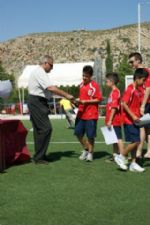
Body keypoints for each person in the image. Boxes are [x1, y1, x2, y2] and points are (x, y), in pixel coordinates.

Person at [28, 55, 74, 164]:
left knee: (40, 130)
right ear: (45, 63)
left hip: (38, 101)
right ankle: (39, 157)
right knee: (46, 128)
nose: (52, 68)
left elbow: (49, 92)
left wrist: (63, 96)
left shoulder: (40, 72)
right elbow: (51, 88)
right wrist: (67, 95)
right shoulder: (40, 72)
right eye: (51, 65)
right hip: (37, 102)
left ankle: (40, 156)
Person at [115, 68, 148, 172]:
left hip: (136, 120)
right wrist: (133, 116)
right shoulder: (130, 89)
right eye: (143, 80)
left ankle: (133, 164)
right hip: (129, 120)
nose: (144, 82)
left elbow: (137, 105)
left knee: (136, 142)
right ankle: (121, 156)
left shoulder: (139, 90)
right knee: (136, 141)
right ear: (137, 78)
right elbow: (123, 103)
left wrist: (141, 114)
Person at [74, 65, 102, 162]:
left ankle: (90, 153)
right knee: (77, 132)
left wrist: (86, 102)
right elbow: (81, 98)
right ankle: (86, 149)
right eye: (83, 75)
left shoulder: (94, 86)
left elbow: (99, 99)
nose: (84, 78)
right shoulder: (81, 85)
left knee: (90, 135)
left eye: (86, 76)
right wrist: (76, 102)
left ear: (90, 76)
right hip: (81, 113)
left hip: (91, 114)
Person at [128, 52, 150, 158]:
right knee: (145, 128)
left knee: (142, 127)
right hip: (142, 103)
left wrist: (143, 105)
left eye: (132, 62)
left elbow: (148, 89)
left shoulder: (145, 71)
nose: (130, 64)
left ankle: (139, 152)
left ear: (138, 60)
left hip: (146, 104)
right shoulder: (139, 72)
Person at [105, 72, 125, 162]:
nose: (106, 83)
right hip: (111, 120)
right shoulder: (113, 92)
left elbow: (114, 107)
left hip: (114, 120)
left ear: (112, 82)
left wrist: (110, 120)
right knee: (113, 139)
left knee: (118, 138)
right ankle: (115, 155)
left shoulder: (115, 92)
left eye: (107, 81)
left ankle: (122, 156)